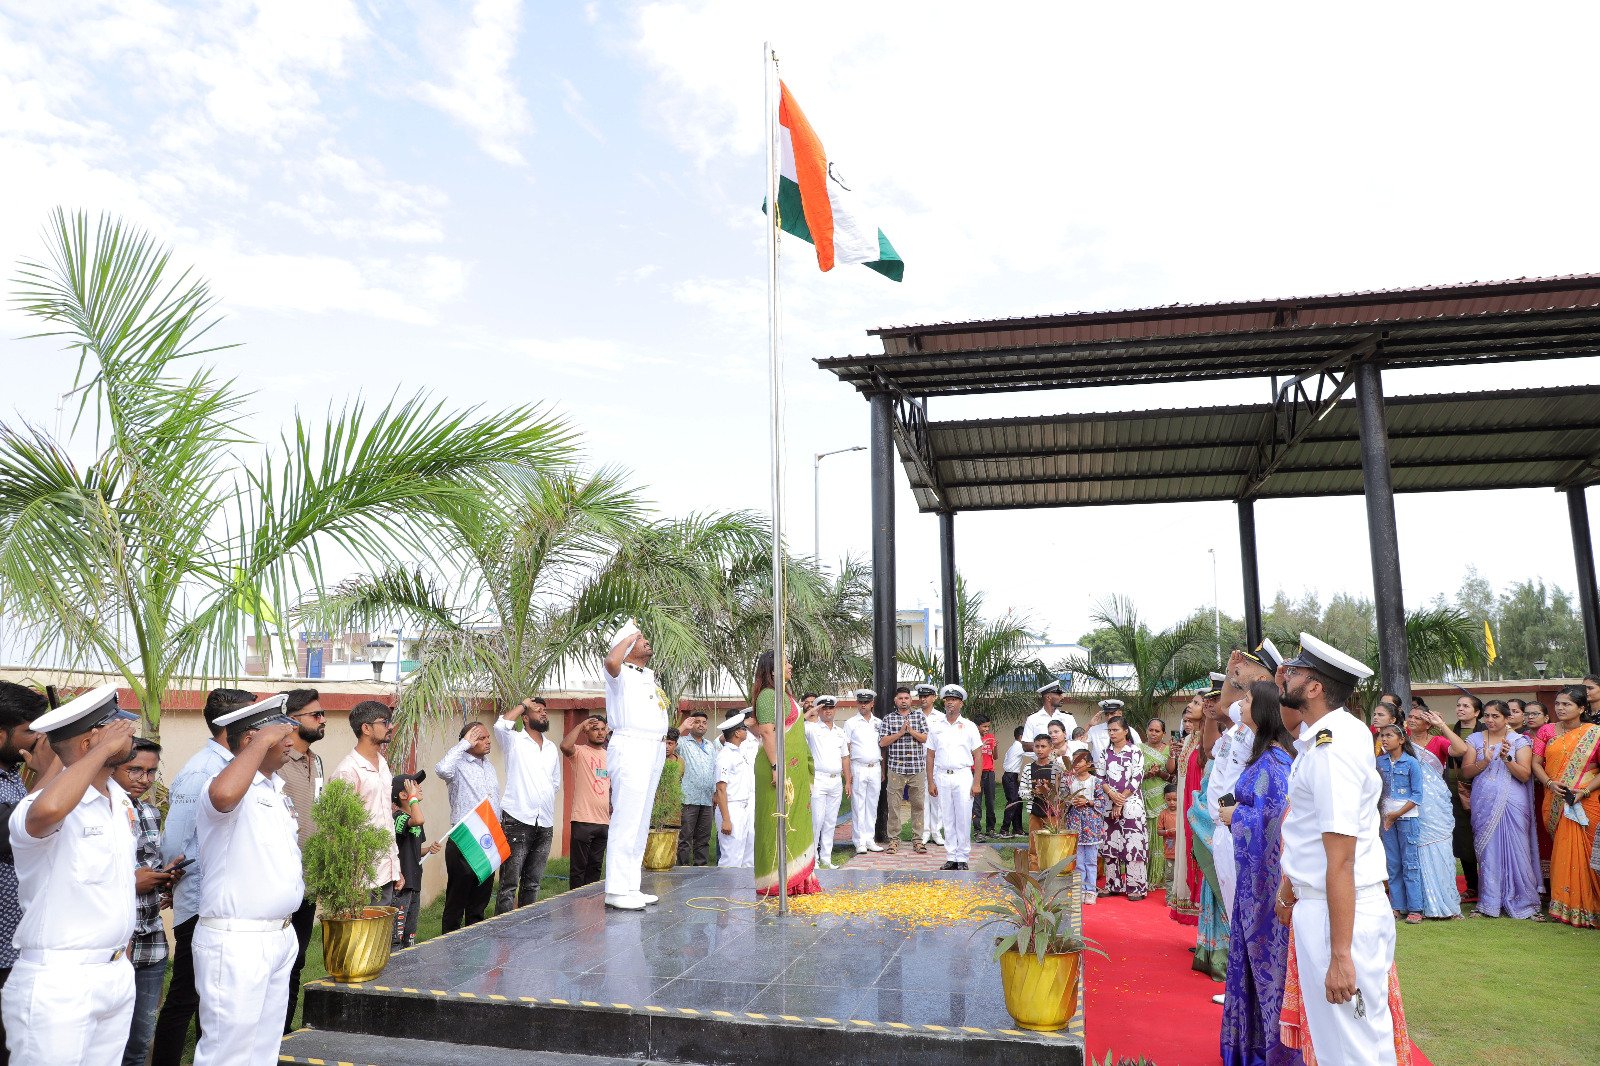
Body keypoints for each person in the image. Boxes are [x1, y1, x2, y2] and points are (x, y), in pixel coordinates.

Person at [1274, 633, 1397, 1066]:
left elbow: (1340, 856)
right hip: (1332, 906)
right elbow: (1311, 833)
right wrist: (1291, 884)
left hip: (1337, 913)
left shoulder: (1331, 748)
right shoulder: (1330, 736)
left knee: (1348, 1050)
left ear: (1314, 688)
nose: (1285, 676)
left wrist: (1340, 955)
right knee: (1364, 1042)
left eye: (1296, 671)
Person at [3, 685, 138, 1066]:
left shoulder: (118, 800)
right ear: (91, 741)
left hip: (113, 973)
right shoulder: (40, 805)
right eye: (117, 727)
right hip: (60, 982)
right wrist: (101, 752)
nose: (128, 731)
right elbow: (45, 812)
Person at [192, 694, 302, 1066]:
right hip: (238, 940)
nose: (291, 739)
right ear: (250, 740)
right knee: (228, 1053)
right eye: (280, 733)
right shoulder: (223, 785)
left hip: (278, 935)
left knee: (262, 1052)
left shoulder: (273, 788)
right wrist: (260, 745)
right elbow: (223, 795)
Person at [152, 686, 257, 1065]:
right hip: (199, 903)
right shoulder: (202, 771)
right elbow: (176, 847)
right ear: (233, 726)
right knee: (186, 996)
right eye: (255, 718)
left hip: (224, 904)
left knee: (215, 998)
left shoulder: (236, 767)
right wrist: (173, 884)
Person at [1219, 679, 1297, 1066]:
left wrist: (1238, 816)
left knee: (1267, 960)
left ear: (1263, 708)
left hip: (1267, 886)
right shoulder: (1262, 753)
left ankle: (1271, 1049)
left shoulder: (1276, 761)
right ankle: (1250, 1045)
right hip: (1252, 882)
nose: (1240, 703)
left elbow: (1276, 821)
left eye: (1247, 699)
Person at [0, 681, 51, 1066]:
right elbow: (14, 833)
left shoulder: (11, 774)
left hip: (15, 948)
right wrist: (54, 772)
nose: (38, 740)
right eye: (30, 730)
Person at [115, 737, 175, 1066]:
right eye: (134, 769)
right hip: (113, 943)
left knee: (140, 1042)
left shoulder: (150, 813)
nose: (144, 779)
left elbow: (147, 864)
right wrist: (130, 882)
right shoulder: (92, 811)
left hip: (151, 941)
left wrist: (166, 875)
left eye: (151, 772)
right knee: (107, 1040)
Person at [602, 619, 668, 910]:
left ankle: (631, 886)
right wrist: (629, 634)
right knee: (627, 820)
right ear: (628, 645)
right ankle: (615, 890)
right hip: (631, 745)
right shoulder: (620, 674)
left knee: (640, 822)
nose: (645, 642)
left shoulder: (645, 676)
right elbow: (610, 660)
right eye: (639, 639)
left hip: (653, 747)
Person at [1453, 702, 1541, 919]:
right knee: (1488, 851)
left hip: (1512, 803)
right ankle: (1489, 901)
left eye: (1496, 716)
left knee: (1517, 849)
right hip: (1484, 801)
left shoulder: (1520, 741)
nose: (1490, 720)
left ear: (1506, 718)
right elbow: (1466, 772)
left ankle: (1525, 901)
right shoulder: (1474, 739)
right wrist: (1485, 760)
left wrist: (1505, 758)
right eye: (1487, 716)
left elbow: (1524, 775)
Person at [752, 651, 820, 896]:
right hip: (778, 769)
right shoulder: (768, 696)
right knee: (778, 821)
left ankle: (799, 880)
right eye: (786, 662)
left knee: (794, 820)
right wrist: (776, 767)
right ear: (773, 670)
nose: (791, 666)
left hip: (794, 768)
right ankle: (778, 881)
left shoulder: (784, 695)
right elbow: (768, 733)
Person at [278, 688, 324, 1033]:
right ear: (292, 720)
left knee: (299, 958)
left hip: (310, 879)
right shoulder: (277, 761)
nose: (323, 720)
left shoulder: (317, 760)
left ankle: (284, 1029)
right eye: (315, 715)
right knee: (278, 961)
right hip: (281, 878)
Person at [1534, 685, 1600, 927]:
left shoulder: (1595, 733)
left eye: (1567, 704)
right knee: (1564, 851)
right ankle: (1569, 908)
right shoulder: (1546, 731)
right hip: (1555, 798)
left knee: (1588, 852)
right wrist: (1549, 783)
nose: (1560, 708)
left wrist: (1583, 790)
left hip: (1587, 801)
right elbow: (1536, 763)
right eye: (1558, 704)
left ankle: (1593, 907)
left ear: (1581, 708)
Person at [331, 701, 402, 905]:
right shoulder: (348, 771)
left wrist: (395, 867)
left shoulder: (383, 764)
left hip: (385, 872)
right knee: (361, 936)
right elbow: (339, 828)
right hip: (360, 876)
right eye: (385, 722)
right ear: (366, 728)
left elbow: (385, 820)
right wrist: (348, 876)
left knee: (381, 936)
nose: (390, 727)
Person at [493, 697, 559, 912]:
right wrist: (524, 704)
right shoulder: (514, 741)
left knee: (533, 884)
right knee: (509, 885)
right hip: (517, 819)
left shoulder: (550, 748)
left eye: (544, 711)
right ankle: (503, 933)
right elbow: (500, 725)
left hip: (545, 822)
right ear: (525, 718)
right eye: (537, 710)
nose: (543, 713)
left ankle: (526, 931)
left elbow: (554, 783)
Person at [434, 720, 499, 931]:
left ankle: (475, 943)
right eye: (481, 738)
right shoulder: (458, 765)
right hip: (464, 838)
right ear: (468, 741)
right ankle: (450, 943)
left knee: (480, 899)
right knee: (457, 898)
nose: (488, 741)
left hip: (488, 838)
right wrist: (463, 744)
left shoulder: (489, 766)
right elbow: (442, 769)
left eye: (488, 737)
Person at [1399, 708, 1463, 919]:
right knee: (1414, 849)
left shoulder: (1438, 741)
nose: (1412, 720)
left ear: (1428, 723)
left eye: (1419, 718)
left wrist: (1443, 726)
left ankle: (1445, 904)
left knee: (1440, 847)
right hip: (1410, 802)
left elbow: (1461, 749)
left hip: (1435, 804)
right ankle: (1418, 904)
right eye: (1411, 717)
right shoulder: (1402, 741)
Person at [1189, 682, 1231, 980]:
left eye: (1218, 699)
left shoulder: (1244, 737)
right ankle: (1210, 951)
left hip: (1227, 822)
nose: (1211, 705)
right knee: (1212, 888)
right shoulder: (1228, 737)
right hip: (1214, 818)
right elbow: (1208, 754)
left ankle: (1226, 955)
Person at [926, 685, 982, 871]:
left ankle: (963, 857)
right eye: (947, 699)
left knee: (963, 817)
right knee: (947, 817)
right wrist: (931, 781)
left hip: (962, 775)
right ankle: (951, 856)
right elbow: (930, 755)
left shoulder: (969, 726)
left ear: (961, 703)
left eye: (954, 699)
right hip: (942, 775)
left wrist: (976, 782)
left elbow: (978, 755)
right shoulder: (936, 726)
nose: (950, 702)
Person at [1374, 724, 1424, 924]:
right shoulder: (1378, 762)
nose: (1384, 739)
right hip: (1386, 819)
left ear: (1402, 739)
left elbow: (1417, 795)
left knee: (1410, 862)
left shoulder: (1411, 763)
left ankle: (1415, 908)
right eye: (1382, 736)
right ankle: (1397, 906)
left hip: (1407, 818)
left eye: (1389, 735)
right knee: (1392, 863)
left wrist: (1396, 814)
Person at [553, 712, 608, 889]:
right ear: (586, 732)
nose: (599, 733)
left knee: (596, 867)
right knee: (579, 869)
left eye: (602, 729)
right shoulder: (580, 752)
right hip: (583, 820)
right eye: (594, 729)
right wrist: (580, 725)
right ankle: (575, 907)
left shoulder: (611, 755)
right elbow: (565, 746)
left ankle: (590, 906)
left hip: (604, 821)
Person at [1100, 717, 1149, 900]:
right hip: (1109, 804)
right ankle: (1113, 884)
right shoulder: (1105, 753)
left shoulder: (1135, 751)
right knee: (1110, 844)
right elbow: (1100, 778)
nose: (1112, 733)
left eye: (1115, 730)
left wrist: (1120, 801)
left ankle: (1136, 887)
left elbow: (1137, 777)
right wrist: (1112, 797)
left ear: (1125, 731)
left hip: (1131, 804)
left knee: (1133, 843)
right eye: (1110, 730)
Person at [1168, 692, 1206, 925]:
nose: (1190, 706)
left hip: (1199, 810)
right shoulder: (1191, 737)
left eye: (1196, 703)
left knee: (1199, 859)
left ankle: (1207, 926)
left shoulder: (1210, 739)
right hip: (1186, 807)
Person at [391, 772, 441, 947]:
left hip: (414, 882)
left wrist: (428, 849)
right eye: (414, 785)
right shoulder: (399, 817)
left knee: (410, 933)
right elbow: (418, 819)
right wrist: (414, 799)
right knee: (396, 935)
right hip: (402, 885)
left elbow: (413, 848)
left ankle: (408, 967)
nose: (419, 787)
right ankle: (395, 968)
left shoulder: (413, 818)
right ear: (403, 796)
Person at [876, 687, 928, 855]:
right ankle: (894, 841)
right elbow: (883, 742)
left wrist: (911, 731)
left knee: (918, 805)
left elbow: (925, 738)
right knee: (894, 805)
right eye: (900, 698)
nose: (904, 700)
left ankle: (918, 840)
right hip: (896, 768)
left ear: (911, 700)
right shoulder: (889, 719)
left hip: (916, 768)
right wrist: (899, 733)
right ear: (895, 700)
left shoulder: (919, 716)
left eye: (906, 697)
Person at [1446, 693, 1484, 903]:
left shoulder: (1485, 732)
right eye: (1458, 705)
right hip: (1454, 792)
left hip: (1481, 790)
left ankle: (1488, 883)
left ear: (1477, 712)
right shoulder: (1451, 730)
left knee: (1484, 837)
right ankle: (1471, 885)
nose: (1460, 709)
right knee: (1463, 839)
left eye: (1466, 706)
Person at [805, 695, 849, 870]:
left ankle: (826, 858)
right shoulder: (812, 729)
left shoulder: (840, 732)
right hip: (819, 779)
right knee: (817, 820)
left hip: (836, 780)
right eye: (824, 709)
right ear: (820, 711)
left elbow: (845, 757)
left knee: (831, 821)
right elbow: (794, 727)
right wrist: (811, 711)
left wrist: (848, 781)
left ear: (835, 710)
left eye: (830, 708)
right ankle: (813, 859)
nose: (828, 711)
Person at [1063, 749, 1109, 903]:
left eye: (1079, 761)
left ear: (1088, 764)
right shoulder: (1070, 781)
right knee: (1078, 859)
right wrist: (1071, 802)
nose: (1075, 764)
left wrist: (1088, 802)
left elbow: (1102, 802)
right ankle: (1079, 889)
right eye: (1074, 761)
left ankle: (1090, 889)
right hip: (1075, 823)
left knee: (1091, 859)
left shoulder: (1096, 781)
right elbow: (1063, 800)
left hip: (1091, 825)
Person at [843, 690, 884, 854]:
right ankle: (859, 841)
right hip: (858, 766)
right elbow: (846, 747)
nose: (863, 705)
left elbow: (882, 746)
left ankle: (869, 839)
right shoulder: (851, 723)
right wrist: (847, 772)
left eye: (866, 702)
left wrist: (883, 770)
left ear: (872, 704)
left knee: (872, 805)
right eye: (860, 702)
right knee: (858, 805)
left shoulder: (878, 723)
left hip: (875, 767)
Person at [676, 710, 716, 866]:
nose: (701, 725)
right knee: (685, 838)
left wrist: (715, 793)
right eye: (697, 722)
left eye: (704, 722)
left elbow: (713, 769)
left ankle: (701, 870)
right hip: (688, 798)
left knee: (703, 839)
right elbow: (667, 740)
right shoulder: (683, 743)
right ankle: (682, 871)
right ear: (691, 724)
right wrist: (682, 727)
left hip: (706, 800)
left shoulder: (710, 746)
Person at [715, 713, 755, 869]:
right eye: (744, 728)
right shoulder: (725, 756)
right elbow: (720, 788)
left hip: (743, 807)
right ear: (737, 733)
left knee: (746, 855)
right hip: (731, 807)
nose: (746, 731)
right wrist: (726, 819)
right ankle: (726, 892)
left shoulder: (739, 752)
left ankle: (741, 892)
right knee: (731, 857)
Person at [1140, 716, 1171, 890]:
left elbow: (1172, 775)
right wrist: (1147, 774)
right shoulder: (1139, 749)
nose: (1153, 733)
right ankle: (1144, 874)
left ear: (1163, 733)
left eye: (1157, 731)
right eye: (1151, 730)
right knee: (1146, 834)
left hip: (1161, 796)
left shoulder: (1168, 751)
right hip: (1144, 795)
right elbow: (1135, 774)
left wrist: (1159, 773)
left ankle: (1158, 876)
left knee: (1159, 834)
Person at [913, 684, 945, 848]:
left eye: (926, 696)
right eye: (921, 696)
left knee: (936, 797)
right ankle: (924, 831)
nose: (923, 699)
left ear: (934, 697)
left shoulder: (941, 717)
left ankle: (936, 831)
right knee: (922, 798)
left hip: (937, 762)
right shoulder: (913, 716)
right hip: (919, 762)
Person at [1022, 681, 1077, 747]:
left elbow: (1076, 740)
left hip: (1064, 756)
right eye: (1059, 694)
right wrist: (1048, 748)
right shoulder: (1032, 719)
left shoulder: (1068, 717)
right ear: (1048, 698)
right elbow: (1026, 745)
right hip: (1041, 757)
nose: (1062, 697)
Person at [971, 715, 998, 841]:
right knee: (976, 803)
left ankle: (990, 829)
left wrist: (995, 747)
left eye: (988, 726)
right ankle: (977, 831)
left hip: (989, 772)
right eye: (984, 726)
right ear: (977, 727)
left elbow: (995, 757)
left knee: (990, 802)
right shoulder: (972, 738)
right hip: (976, 773)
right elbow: (969, 754)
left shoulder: (991, 737)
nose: (987, 729)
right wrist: (981, 745)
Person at [1000, 724, 1026, 838]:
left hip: (1012, 776)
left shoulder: (1015, 746)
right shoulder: (1019, 746)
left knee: (1018, 802)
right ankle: (1004, 830)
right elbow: (1033, 752)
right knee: (1013, 802)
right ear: (1021, 737)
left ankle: (1017, 829)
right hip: (1010, 776)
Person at [1157, 783, 1179, 886]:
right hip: (1169, 852)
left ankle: (1181, 898)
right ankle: (1170, 898)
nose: (1172, 802)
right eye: (1169, 799)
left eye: (1175, 799)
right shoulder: (1163, 814)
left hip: (1182, 852)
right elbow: (1159, 831)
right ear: (1164, 799)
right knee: (1170, 876)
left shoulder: (1183, 813)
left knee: (1182, 875)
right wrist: (1168, 832)